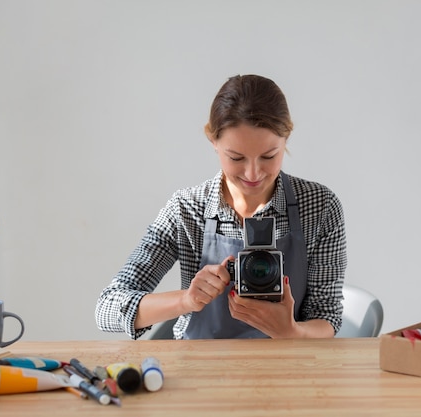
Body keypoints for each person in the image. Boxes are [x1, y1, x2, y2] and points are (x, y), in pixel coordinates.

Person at [95, 74, 347, 340]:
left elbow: (326, 316)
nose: (253, 173)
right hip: (201, 372)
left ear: (286, 138)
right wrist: (187, 300)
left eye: (269, 156)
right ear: (213, 141)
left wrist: (291, 332)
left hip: (288, 369)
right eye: (236, 157)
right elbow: (107, 308)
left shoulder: (319, 207)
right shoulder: (187, 209)